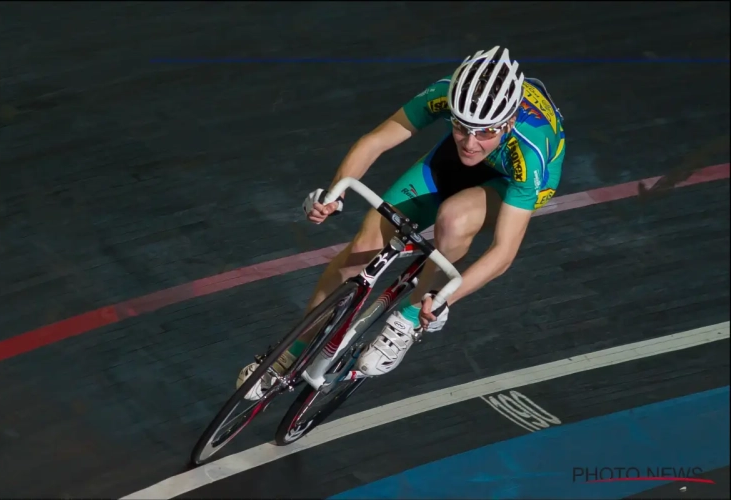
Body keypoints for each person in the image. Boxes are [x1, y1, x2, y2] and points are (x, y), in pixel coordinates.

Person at [238, 46, 565, 400]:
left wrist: (444, 299)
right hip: (448, 164)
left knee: (453, 220)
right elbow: (376, 140)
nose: (471, 143)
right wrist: (335, 193)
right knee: (362, 249)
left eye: (485, 132)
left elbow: (503, 253)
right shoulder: (447, 93)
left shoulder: (530, 154)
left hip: (511, 181)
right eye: (460, 127)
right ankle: (294, 350)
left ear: (509, 122)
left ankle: (408, 318)